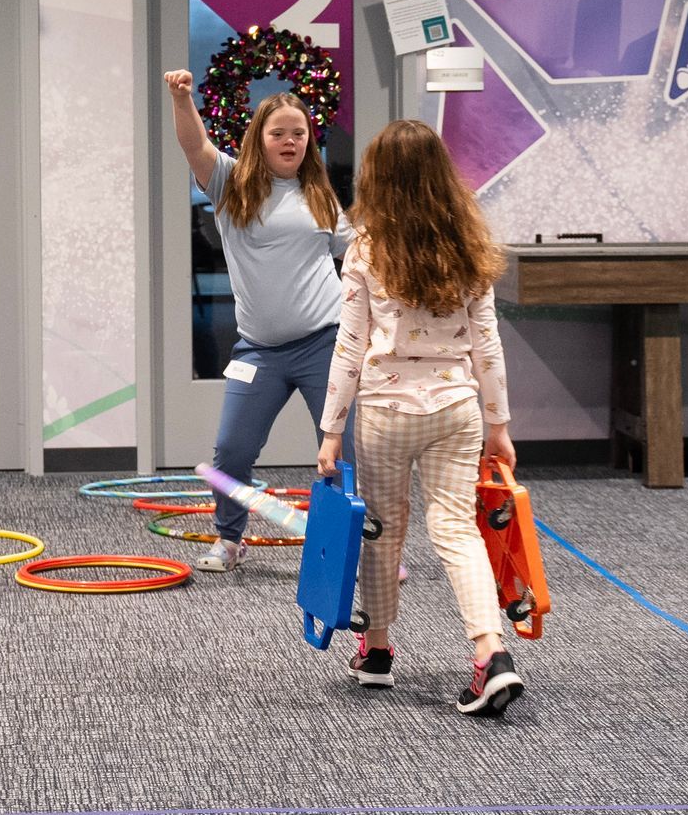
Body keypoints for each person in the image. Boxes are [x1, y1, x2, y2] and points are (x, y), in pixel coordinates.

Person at [316, 118, 522, 716]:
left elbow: (349, 347)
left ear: (376, 179)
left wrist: (331, 431)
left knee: (382, 530)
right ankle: (491, 654)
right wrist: (500, 426)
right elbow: (488, 344)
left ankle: (376, 650)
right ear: (442, 176)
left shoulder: (365, 249)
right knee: (457, 529)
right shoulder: (469, 247)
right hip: (457, 410)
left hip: (385, 411)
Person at [164, 69, 352, 573]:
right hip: (259, 349)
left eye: (299, 133)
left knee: (339, 454)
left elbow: (357, 257)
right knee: (231, 450)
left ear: (309, 141)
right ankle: (229, 541)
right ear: (259, 140)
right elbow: (193, 143)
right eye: (278, 133)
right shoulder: (232, 183)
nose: (290, 141)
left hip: (325, 343)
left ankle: (344, 550)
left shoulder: (320, 194)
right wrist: (182, 98)